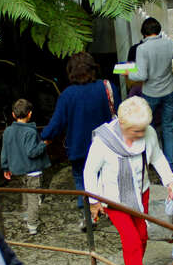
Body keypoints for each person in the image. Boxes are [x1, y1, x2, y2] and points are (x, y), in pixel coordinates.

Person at [84, 96, 173, 265]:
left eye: (143, 130)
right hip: (114, 198)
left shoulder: (148, 133)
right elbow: (90, 171)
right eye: (136, 131)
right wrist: (94, 201)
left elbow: (157, 158)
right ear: (123, 125)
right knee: (132, 240)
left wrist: (170, 181)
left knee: (143, 235)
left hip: (140, 191)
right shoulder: (103, 142)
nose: (141, 135)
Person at [41, 52, 119, 231]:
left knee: (82, 182)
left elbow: (57, 124)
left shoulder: (68, 95)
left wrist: (44, 136)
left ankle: (89, 216)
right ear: (93, 68)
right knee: (107, 179)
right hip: (108, 144)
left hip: (79, 147)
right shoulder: (107, 87)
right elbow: (121, 113)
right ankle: (113, 214)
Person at [128, 16, 173, 169]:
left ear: (143, 33)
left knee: (147, 127)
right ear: (158, 30)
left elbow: (142, 75)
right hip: (169, 91)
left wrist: (129, 74)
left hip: (150, 93)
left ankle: (149, 161)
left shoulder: (142, 49)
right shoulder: (169, 43)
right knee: (168, 127)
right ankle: (170, 163)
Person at [1, 98, 51, 235]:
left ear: (13, 114)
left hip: (18, 169)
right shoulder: (30, 132)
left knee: (25, 192)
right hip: (33, 170)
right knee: (34, 196)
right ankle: (32, 224)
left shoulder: (8, 131)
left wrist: (5, 167)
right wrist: (44, 144)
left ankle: (26, 215)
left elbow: (4, 151)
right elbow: (32, 152)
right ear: (30, 114)